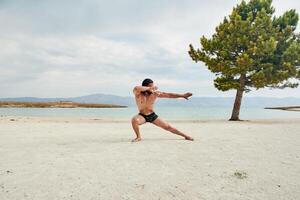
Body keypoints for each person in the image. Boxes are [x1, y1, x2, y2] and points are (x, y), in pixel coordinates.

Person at [131, 78, 194, 142]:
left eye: (152, 85)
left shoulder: (154, 93)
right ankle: (138, 137)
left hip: (152, 115)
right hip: (142, 116)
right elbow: (136, 88)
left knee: (168, 127)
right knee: (134, 120)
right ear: (145, 86)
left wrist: (183, 95)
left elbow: (169, 95)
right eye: (151, 85)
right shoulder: (138, 93)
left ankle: (185, 136)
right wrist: (149, 88)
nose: (152, 87)